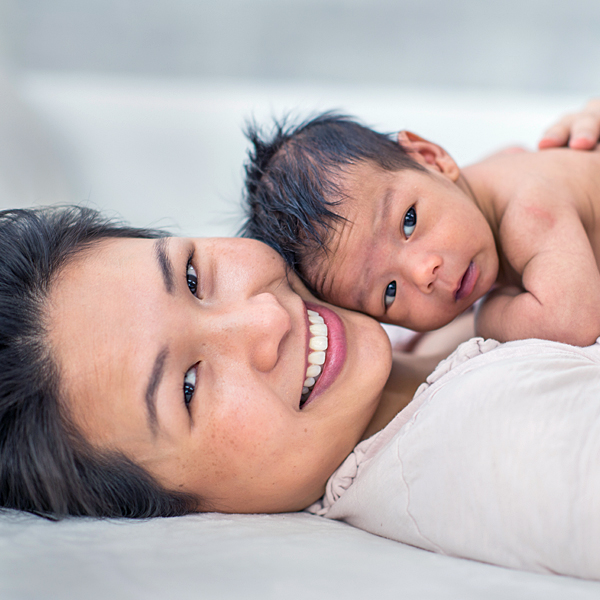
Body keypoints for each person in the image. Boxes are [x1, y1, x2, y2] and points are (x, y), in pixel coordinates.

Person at [0, 103, 598, 520]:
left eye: (191, 275)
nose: (267, 319)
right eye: (187, 386)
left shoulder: (425, 339)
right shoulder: (507, 455)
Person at [241, 99, 600, 346]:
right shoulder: (484, 179)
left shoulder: (529, 211)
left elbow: (571, 320)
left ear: (431, 157)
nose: (423, 272)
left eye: (408, 222)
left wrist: (487, 316)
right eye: (389, 292)